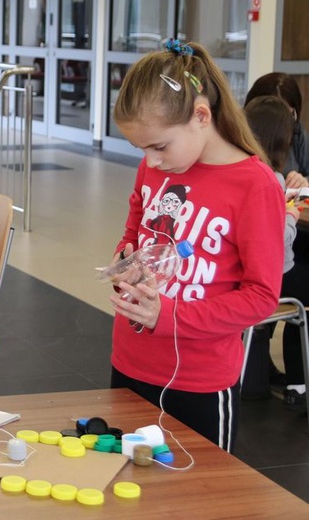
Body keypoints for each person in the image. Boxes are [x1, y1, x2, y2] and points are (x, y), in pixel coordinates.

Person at [108, 38, 285, 452]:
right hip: (130, 360)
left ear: (201, 116)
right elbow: (135, 229)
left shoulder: (255, 186)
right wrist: (123, 262)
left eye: (159, 146)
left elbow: (261, 297)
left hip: (200, 380)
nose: (151, 162)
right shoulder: (157, 168)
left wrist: (168, 315)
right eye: (142, 150)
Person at [245, 95, 308, 412]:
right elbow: (276, 243)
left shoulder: (239, 170)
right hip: (268, 279)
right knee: (305, 296)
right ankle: (299, 383)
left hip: (238, 277)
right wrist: (291, 215)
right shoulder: (271, 178)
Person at [244, 72, 309, 187]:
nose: (284, 124)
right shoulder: (237, 137)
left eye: (289, 115)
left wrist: (304, 182)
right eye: (276, 116)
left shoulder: (297, 132)